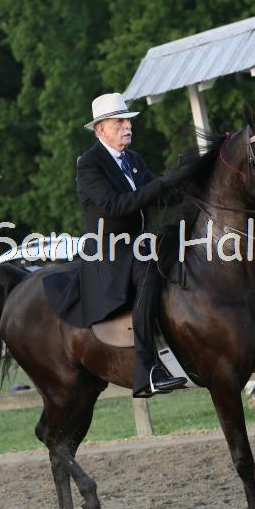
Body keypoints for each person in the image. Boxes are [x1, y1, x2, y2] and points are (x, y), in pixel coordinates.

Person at [43, 92, 186, 398]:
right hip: (109, 252)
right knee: (149, 268)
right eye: (119, 122)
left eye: (128, 121)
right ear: (101, 129)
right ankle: (147, 370)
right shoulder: (89, 165)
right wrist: (159, 185)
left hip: (138, 244)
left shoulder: (133, 160)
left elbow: (159, 196)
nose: (127, 126)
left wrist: (185, 184)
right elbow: (114, 206)